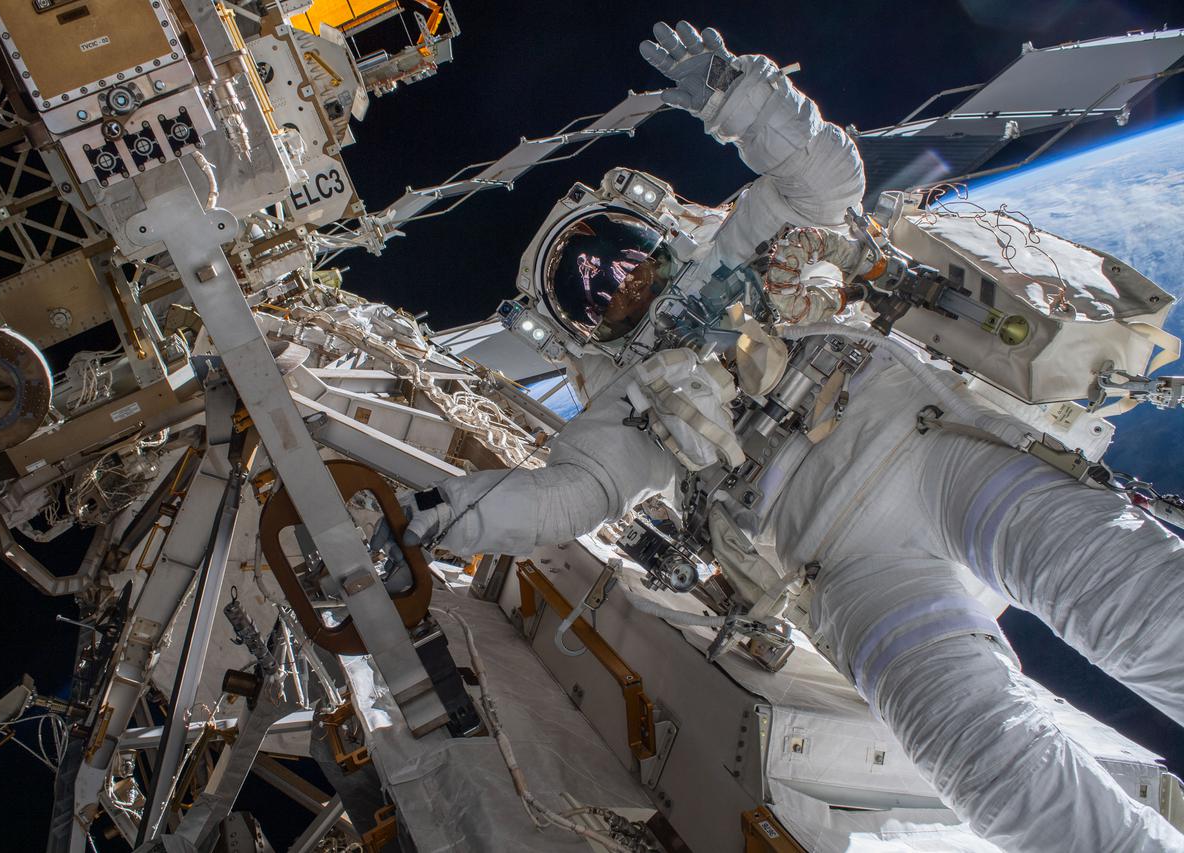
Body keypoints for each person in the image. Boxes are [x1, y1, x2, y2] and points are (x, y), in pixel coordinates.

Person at [405, 21, 1184, 852]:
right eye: (584, 285)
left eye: (608, 250)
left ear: (648, 230)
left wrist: (740, 97)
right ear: (580, 328)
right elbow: (564, 496)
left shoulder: (742, 241)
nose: (609, 275)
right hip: (845, 573)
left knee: (1150, 612)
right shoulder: (624, 406)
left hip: (935, 455)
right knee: (992, 766)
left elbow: (824, 175)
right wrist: (451, 513)